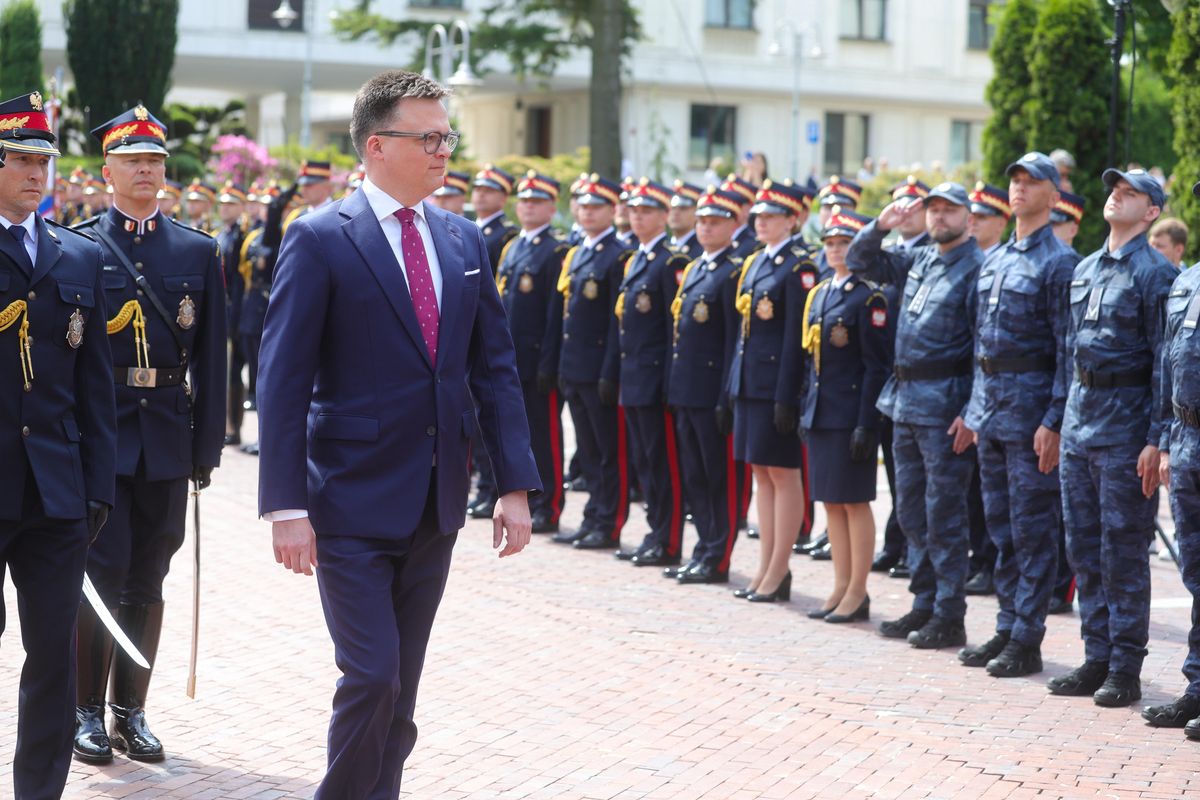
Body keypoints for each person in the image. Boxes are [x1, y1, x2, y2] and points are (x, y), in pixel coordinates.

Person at [258, 70, 539, 797]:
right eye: (430, 137)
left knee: (402, 692)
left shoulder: (462, 238)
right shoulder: (320, 239)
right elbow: (283, 380)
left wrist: (513, 484)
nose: (444, 150)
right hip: (348, 502)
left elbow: (494, 372)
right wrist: (284, 506)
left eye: (447, 136)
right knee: (372, 672)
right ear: (377, 145)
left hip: (437, 500)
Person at [72, 105, 226, 764]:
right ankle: (83, 712)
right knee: (99, 574)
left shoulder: (197, 250)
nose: (146, 172)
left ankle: (130, 712)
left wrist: (206, 448)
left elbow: (214, 361)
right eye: (134, 161)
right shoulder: (76, 245)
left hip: (165, 432)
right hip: (100, 433)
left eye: (156, 163)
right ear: (107, 169)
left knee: (148, 576)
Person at [0, 90, 116, 800]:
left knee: (53, 656)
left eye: (44, 160)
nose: (36, 174)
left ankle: (38, 790)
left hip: (57, 491)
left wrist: (97, 487)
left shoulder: (78, 254)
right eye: (19, 159)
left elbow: (95, 384)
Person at [1052, 167, 1175, 706]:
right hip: (1080, 423)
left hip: (1126, 430)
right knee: (1082, 547)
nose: (1116, 196)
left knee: (1122, 549)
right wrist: (1057, 420)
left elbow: (1163, 362)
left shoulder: (1155, 274)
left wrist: (1156, 436)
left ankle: (1125, 665)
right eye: (1114, 189)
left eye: (1131, 193)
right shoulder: (1083, 268)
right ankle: (1095, 655)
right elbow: (1067, 352)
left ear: (1151, 212)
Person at [844, 182, 981, 646]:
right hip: (904, 399)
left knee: (943, 513)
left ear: (968, 217)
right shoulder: (921, 258)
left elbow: (986, 348)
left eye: (949, 211)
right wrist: (880, 225)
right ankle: (923, 602)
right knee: (910, 512)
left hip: (945, 403)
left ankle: (948, 612)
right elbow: (862, 261)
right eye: (934, 210)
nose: (939, 218)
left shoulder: (977, 268)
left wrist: (973, 411)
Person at [960, 152, 1078, 676]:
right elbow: (980, 341)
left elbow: (1067, 351)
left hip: (1032, 413)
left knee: (1033, 531)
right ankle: (1007, 625)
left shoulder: (1059, 263)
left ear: (1053, 195)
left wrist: (1053, 420)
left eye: (1031, 182)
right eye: (1014, 180)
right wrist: (972, 407)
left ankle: (1027, 637)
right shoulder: (997, 259)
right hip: (992, 409)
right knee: (1001, 527)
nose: (1019, 189)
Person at [727, 180, 819, 602]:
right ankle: (765, 565)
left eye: (772, 217)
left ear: (792, 220)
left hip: (774, 388)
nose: (761, 222)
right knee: (760, 474)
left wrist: (786, 395)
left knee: (782, 475)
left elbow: (792, 339)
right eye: (758, 216)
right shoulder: (757, 262)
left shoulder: (797, 267)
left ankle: (779, 568)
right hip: (750, 384)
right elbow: (745, 333)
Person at [802, 206, 889, 622]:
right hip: (822, 412)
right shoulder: (819, 293)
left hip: (851, 413)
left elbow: (875, 365)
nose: (837, 251)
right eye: (831, 244)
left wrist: (865, 423)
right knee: (831, 503)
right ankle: (840, 583)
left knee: (854, 502)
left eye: (845, 244)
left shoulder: (867, 297)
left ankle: (858, 589)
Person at [666, 187, 748, 584]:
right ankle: (702, 548)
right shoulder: (696, 267)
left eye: (715, 222)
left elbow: (735, 341)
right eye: (701, 221)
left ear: (734, 225)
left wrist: (725, 396)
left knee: (719, 479)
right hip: (685, 389)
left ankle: (719, 555)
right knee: (694, 476)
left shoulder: (735, 272)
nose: (706, 227)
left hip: (712, 390)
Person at [550, 174, 635, 550]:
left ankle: (609, 520)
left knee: (607, 451)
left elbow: (619, 321)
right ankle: (592, 517)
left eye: (596, 206)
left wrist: (608, 371)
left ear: (613, 211)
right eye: (583, 206)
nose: (587, 212)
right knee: (586, 450)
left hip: (600, 368)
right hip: (574, 366)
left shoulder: (619, 256)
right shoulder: (577, 252)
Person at [1145, 179, 1200, 737]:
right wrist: (1163, 439)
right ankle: (1197, 686)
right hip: (1185, 444)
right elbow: (1168, 366)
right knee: (1195, 571)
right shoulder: (1188, 281)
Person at [613, 178, 689, 567]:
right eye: (634, 211)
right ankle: (654, 531)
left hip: (656, 377)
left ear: (663, 215)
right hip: (634, 376)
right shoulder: (636, 258)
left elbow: (673, 329)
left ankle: (669, 539)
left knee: (663, 463)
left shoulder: (670, 262)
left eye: (646, 212)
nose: (638, 217)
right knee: (645, 462)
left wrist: (668, 382)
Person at [495, 171, 567, 534]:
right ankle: (527, 496)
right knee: (518, 435)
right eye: (524, 200)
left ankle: (550, 504)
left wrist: (549, 361)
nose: (528, 207)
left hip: (538, 357)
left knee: (545, 434)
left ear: (553, 207)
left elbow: (556, 314)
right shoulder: (514, 247)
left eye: (537, 201)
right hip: (512, 358)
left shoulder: (556, 251)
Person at [466, 164, 517, 520]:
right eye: (478, 189)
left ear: (503, 197)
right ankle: (483, 487)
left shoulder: (504, 237)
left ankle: (491, 488)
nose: (480, 194)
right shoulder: (467, 231)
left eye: (489, 190)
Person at [216, 181, 248, 446]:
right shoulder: (221, 234)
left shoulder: (240, 236)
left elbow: (238, 281)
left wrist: (234, 316)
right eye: (223, 203)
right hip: (223, 309)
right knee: (224, 372)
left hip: (234, 310)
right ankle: (226, 423)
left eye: (231, 204)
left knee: (233, 372)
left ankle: (234, 425)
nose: (225, 208)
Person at [721, 174, 760, 259]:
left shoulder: (755, 246)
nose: (726, 208)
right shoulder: (714, 239)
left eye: (734, 203)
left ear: (749, 208)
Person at [967, 182, 1011, 257]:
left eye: (981, 217)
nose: (973, 222)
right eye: (970, 216)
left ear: (1001, 224)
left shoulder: (1009, 261)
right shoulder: (956, 258)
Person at [668, 179, 704, 261]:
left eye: (683, 208)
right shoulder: (662, 248)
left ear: (696, 213)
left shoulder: (702, 250)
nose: (675, 213)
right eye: (672, 208)